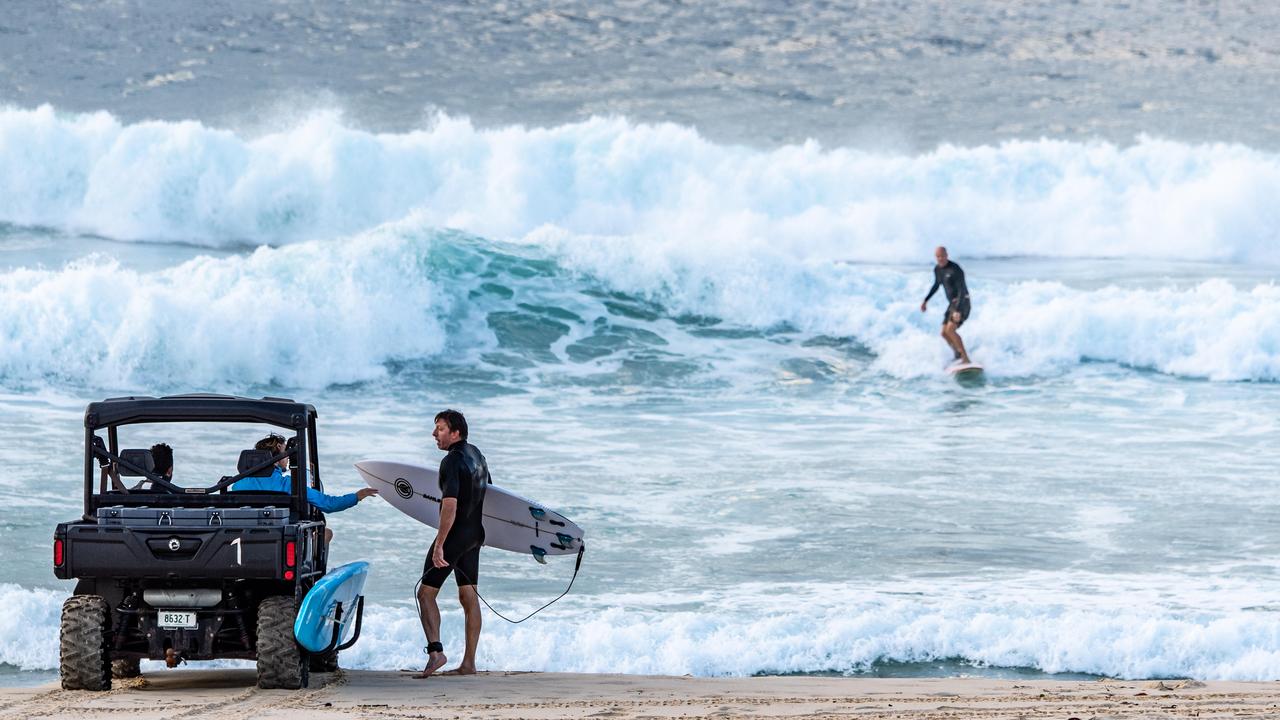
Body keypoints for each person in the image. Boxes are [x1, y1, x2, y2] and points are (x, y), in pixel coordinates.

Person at [414, 409, 489, 679]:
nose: (435, 434)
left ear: (455, 432)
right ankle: (469, 663)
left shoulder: (451, 462)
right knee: (468, 596)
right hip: (475, 534)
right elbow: (486, 494)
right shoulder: (477, 455)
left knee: (425, 593)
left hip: (456, 537)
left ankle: (436, 653)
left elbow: (450, 504)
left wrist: (440, 544)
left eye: (440, 429)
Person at [233, 433, 378, 542]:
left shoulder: (237, 484)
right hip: (281, 539)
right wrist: (358, 496)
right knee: (326, 533)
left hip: (245, 538)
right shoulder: (289, 484)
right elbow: (329, 504)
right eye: (285, 453)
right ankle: (316, 578)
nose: (288, 457)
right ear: (276, 458)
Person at [920, 246, 972, 365]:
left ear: (947, 255)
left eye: (942, 256)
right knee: (944, 333)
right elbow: (936, 285)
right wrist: (925, 300)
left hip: (962, 302)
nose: (940, 259)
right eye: (938, 256)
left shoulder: (955, 269)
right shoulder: (938, 269)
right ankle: (957, 353)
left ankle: (965, 358)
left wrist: (958, 310)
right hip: (952, 305)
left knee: (950, 329)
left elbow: (962, 290)